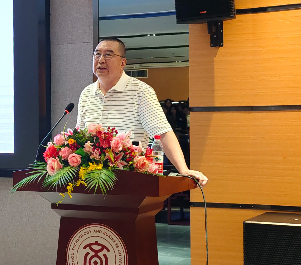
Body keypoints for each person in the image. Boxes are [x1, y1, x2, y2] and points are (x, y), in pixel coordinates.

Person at [76, 37, 208, 186]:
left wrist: (183, 169)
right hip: (90, 181)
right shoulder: (86, 93)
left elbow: (163, 133)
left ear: (123, 63)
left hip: (130, 180)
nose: (100, 60)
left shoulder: (140, 91)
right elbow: (80, 136)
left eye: (108, 55)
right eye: (97, 54)